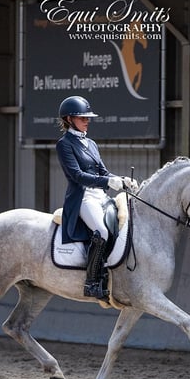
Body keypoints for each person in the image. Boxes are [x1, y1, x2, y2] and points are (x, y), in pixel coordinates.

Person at [55, 95, 131, 300]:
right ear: (70, 119)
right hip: (83, 197)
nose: (87, 121)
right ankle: (92, 282)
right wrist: (108, 182)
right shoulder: (64, 144)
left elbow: (103, 172)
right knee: (102, 232)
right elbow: (77, 176)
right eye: (83, 118)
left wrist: (120, 180)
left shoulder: (91, 143)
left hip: (100, 195)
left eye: (88, 118)